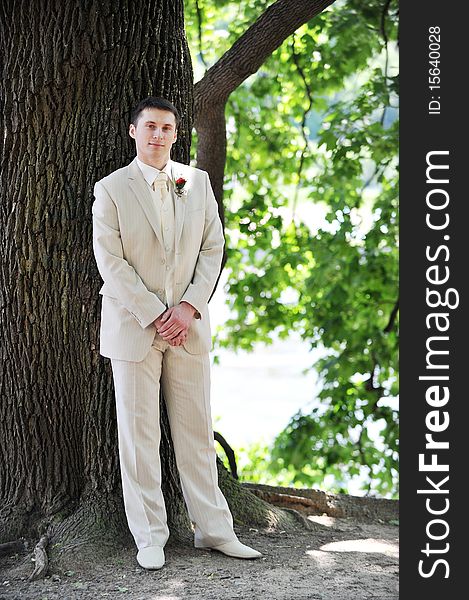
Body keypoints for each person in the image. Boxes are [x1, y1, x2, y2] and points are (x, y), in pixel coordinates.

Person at [91, 97, 261, 570]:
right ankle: (149, 537)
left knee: (195, 431)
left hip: (188, 327)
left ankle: (214, 530)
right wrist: (154, 312)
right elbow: (110, 261)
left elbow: (213, 247)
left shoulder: (196, 182)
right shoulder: (110, 189)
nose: (158, 135)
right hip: (133, 328)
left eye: (166, 128)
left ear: (175, 133)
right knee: (139, 436)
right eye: (149, 127)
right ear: (133, 131)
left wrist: (188, 307)